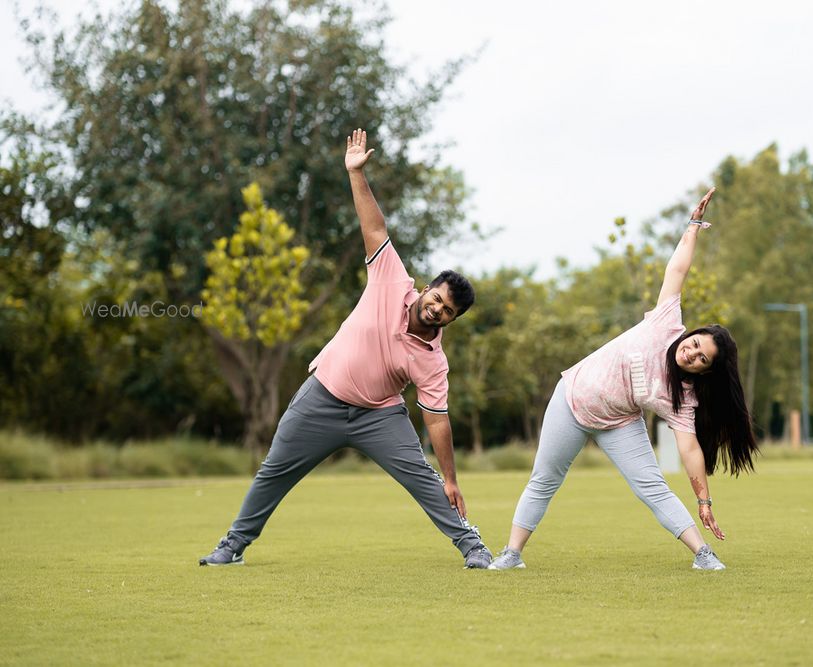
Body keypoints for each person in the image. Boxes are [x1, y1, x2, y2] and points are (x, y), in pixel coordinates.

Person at [200, 129, 493, 569]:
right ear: (427, 288)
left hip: (379, 415)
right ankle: (232, 546)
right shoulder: (392, 279)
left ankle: (473, 548)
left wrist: (451, 478)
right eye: (437, 298)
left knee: (424, 480)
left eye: (447, 311)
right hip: (322, 397)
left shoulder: (433, 361)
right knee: (274, 473)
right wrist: (356, 174)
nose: (436, 310)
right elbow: (374, 226)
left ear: (453, 319)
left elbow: (437, 420)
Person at [489, 187, 757, 571]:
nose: (692, 354)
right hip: (572, 398)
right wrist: (693, 226)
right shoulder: (666, 324)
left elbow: (690, 450)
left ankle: (703, 555)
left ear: (704, 371)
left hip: (619, 423)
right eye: (696, 344)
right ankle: (512, 554)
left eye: (702, 359)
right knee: (545, 478)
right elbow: (677, 269)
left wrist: (704, 501)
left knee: (651, 487)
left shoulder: (683, 397)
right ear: (690, 334)